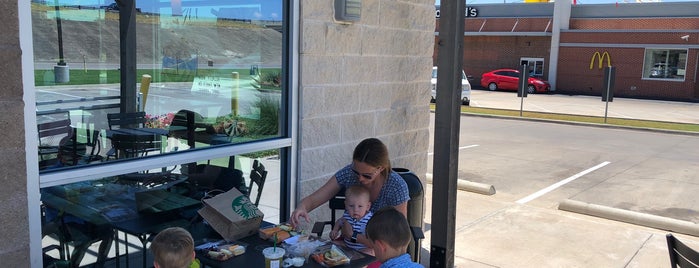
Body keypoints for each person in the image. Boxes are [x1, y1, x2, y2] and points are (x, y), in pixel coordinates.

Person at [291, 138, 410, 248]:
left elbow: (398, 237)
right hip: (348, 244)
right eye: (356, 171)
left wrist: (354, 236)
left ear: (381, 168)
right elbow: (315, 198)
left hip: (380, 248)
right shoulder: (348, 173)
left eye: (367, 175)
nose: (360, 179)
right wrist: (302, 207)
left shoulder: (396, 186)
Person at [330, 185, 374, 254]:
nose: (355, 210)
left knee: (369, 252)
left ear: (367, 206)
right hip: (347, 245)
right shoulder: (347, 215)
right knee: (331, 244)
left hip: (362, 248)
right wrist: (335, 230)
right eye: (351, 206)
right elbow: (339, 221)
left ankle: (356, 261)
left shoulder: (371, 219)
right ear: (346, 205)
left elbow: (373, 239)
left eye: (360, 206)